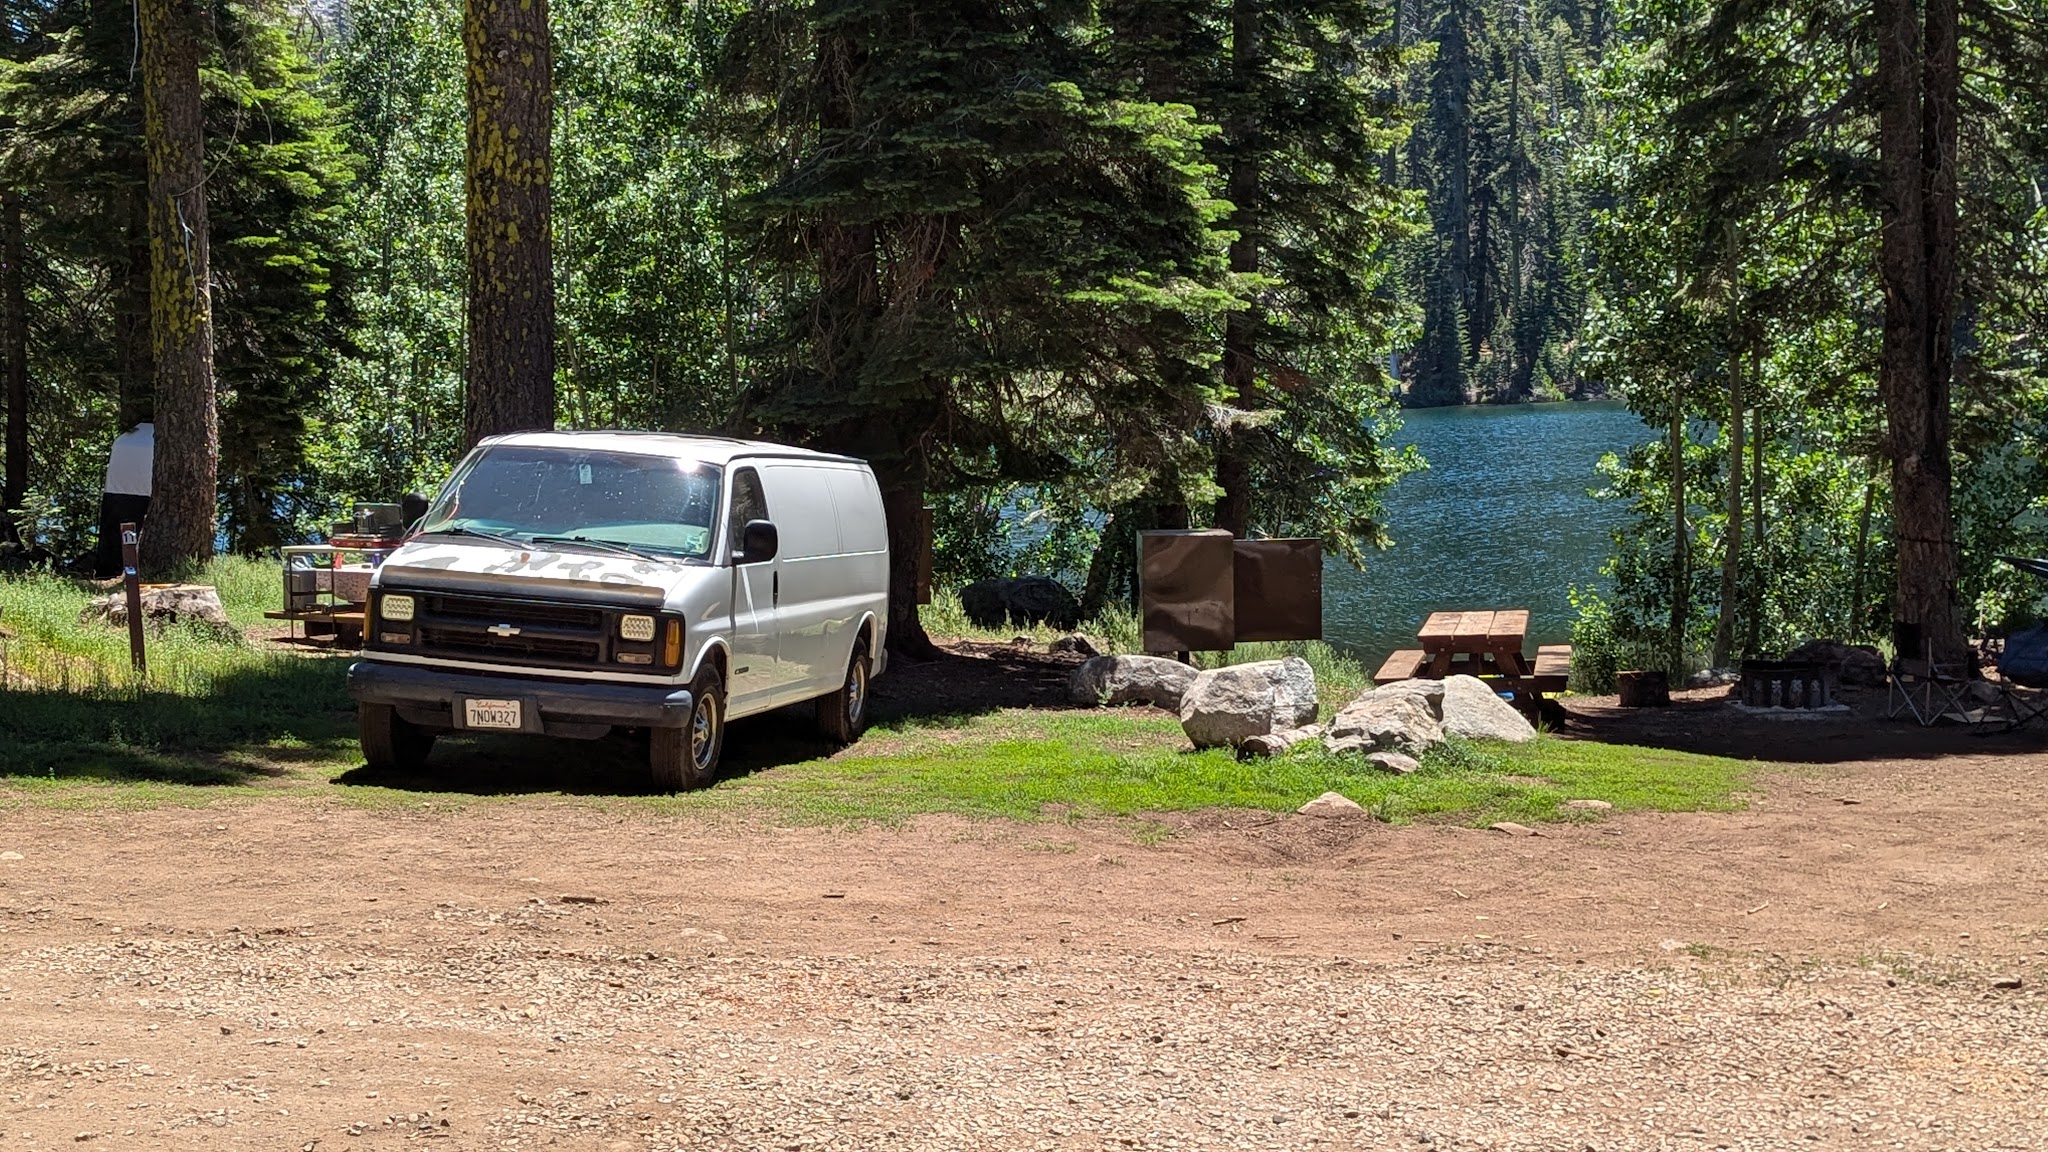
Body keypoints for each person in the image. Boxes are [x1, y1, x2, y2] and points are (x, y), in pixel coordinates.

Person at [92, 423, 153, 579]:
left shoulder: (124, 439)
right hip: (145, 492)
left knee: (115, 536)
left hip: (116, 492)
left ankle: (108, 571)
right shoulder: (155, 438)